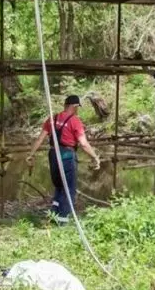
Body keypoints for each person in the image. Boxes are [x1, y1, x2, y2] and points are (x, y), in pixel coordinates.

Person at [24, 95, 100, 224]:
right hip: (67, 155)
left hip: (53, 154)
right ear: (75, 106)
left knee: (59, 187)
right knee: (68, 189)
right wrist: (95, 157)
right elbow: (83, 143)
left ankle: (54, 216)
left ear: (65, 105)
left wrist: (31, 154)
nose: (78, 110)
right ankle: (62, 221)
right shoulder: (75, 121)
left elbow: (40, 139)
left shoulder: (52, 119)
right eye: (77, 107)